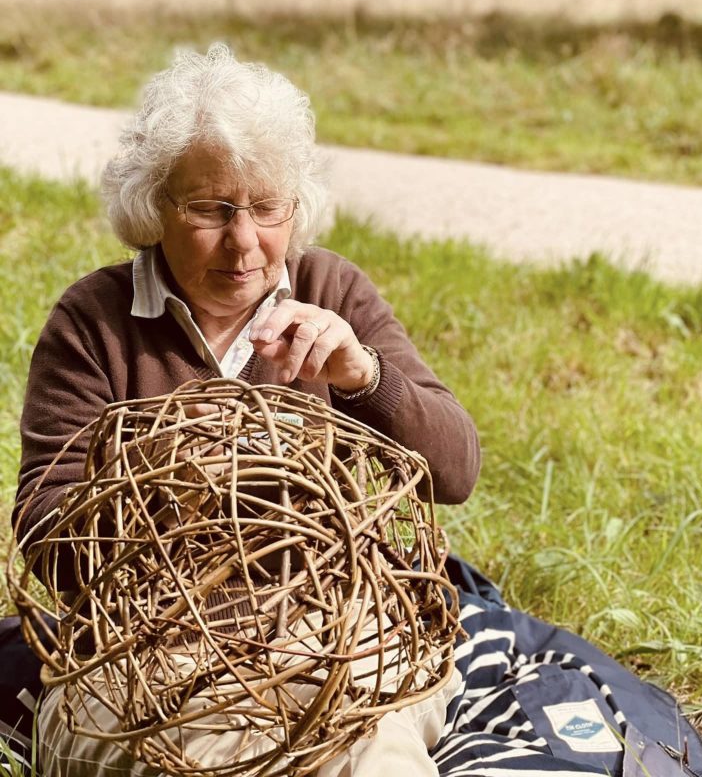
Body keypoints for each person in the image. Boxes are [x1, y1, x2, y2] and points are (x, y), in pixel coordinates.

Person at [13, 43, 480, 776]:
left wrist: (363, 375)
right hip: (152, 644)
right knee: (189, 757)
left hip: (330, 624)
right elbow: (48, 531)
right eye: (209, 209)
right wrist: (188, 493)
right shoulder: (95, 320)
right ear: (152, 206)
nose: (244, 243)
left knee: (368, 751)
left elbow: (454, 470)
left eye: (267, 208)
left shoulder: (331, 290)